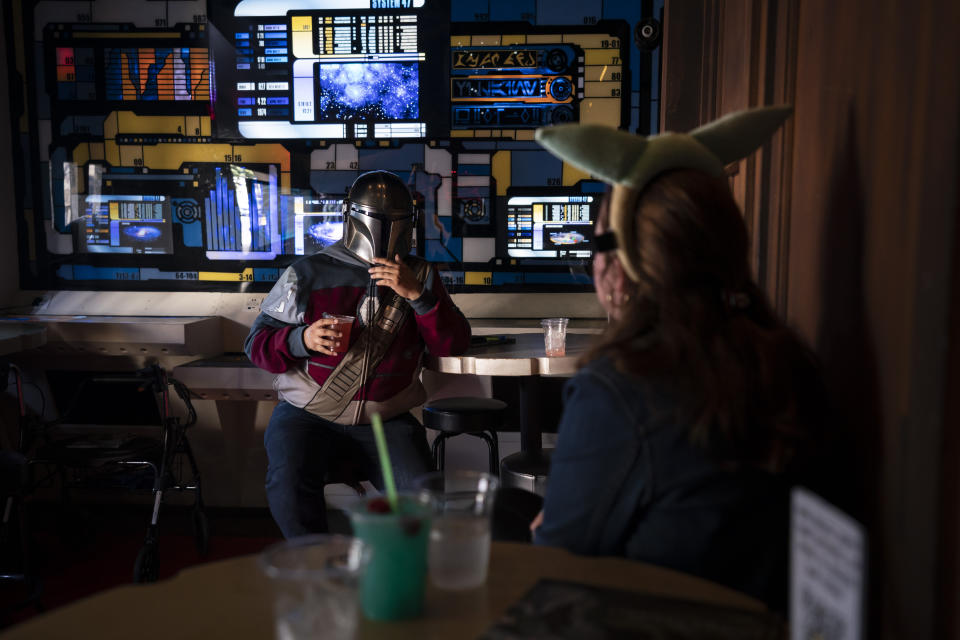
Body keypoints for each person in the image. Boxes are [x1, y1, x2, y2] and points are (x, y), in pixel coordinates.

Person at [530, 107, 826, 609]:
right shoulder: (789, 358)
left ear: (622, 262)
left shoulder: (619, 386)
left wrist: (546, 525)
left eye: (596, 244)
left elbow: (558, 563)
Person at [245, 170, 471, 537]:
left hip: (387, 419)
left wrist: (420, 297)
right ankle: (314, 567)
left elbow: (453, 346)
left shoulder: (421, 275)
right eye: (379, 219)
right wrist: (302, 340)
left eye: (395, 221)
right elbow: (256, 345)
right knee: (287, 485)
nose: (385, 228)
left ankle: (399, 569)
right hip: (308, 415)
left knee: (424, 503)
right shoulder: (307, 273)